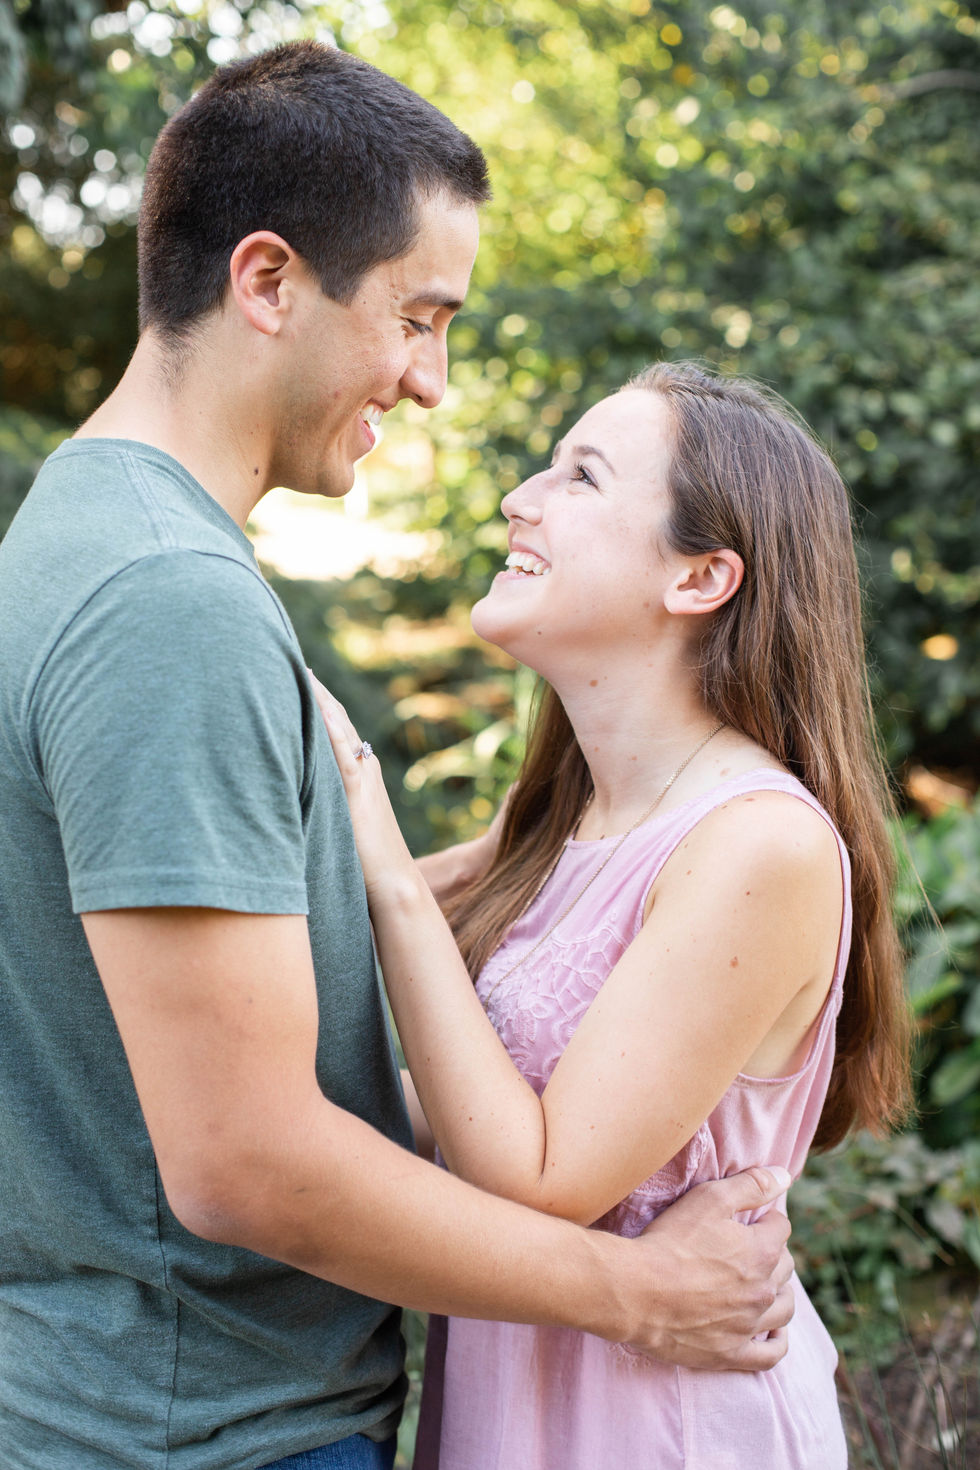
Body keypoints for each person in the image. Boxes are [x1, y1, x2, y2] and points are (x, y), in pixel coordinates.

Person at [0, 42, 795, 1470]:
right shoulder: (169, 603)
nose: (430, 382)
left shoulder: (82, 529)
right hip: (205, 1430)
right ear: (266, 281)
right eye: (417, 319)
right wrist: (639, 1293)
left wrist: (468, 871)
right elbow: (244, 1160)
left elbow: (203, 963)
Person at [313, 361, 913, 1469]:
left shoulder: (757, 845)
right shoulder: (564, 818)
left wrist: (383, 852)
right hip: (521, 1415)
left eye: (580, 476)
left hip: (665, 1430)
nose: (519, 499)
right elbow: (462, 1105)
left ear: (700, 578)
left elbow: (540, 1174)